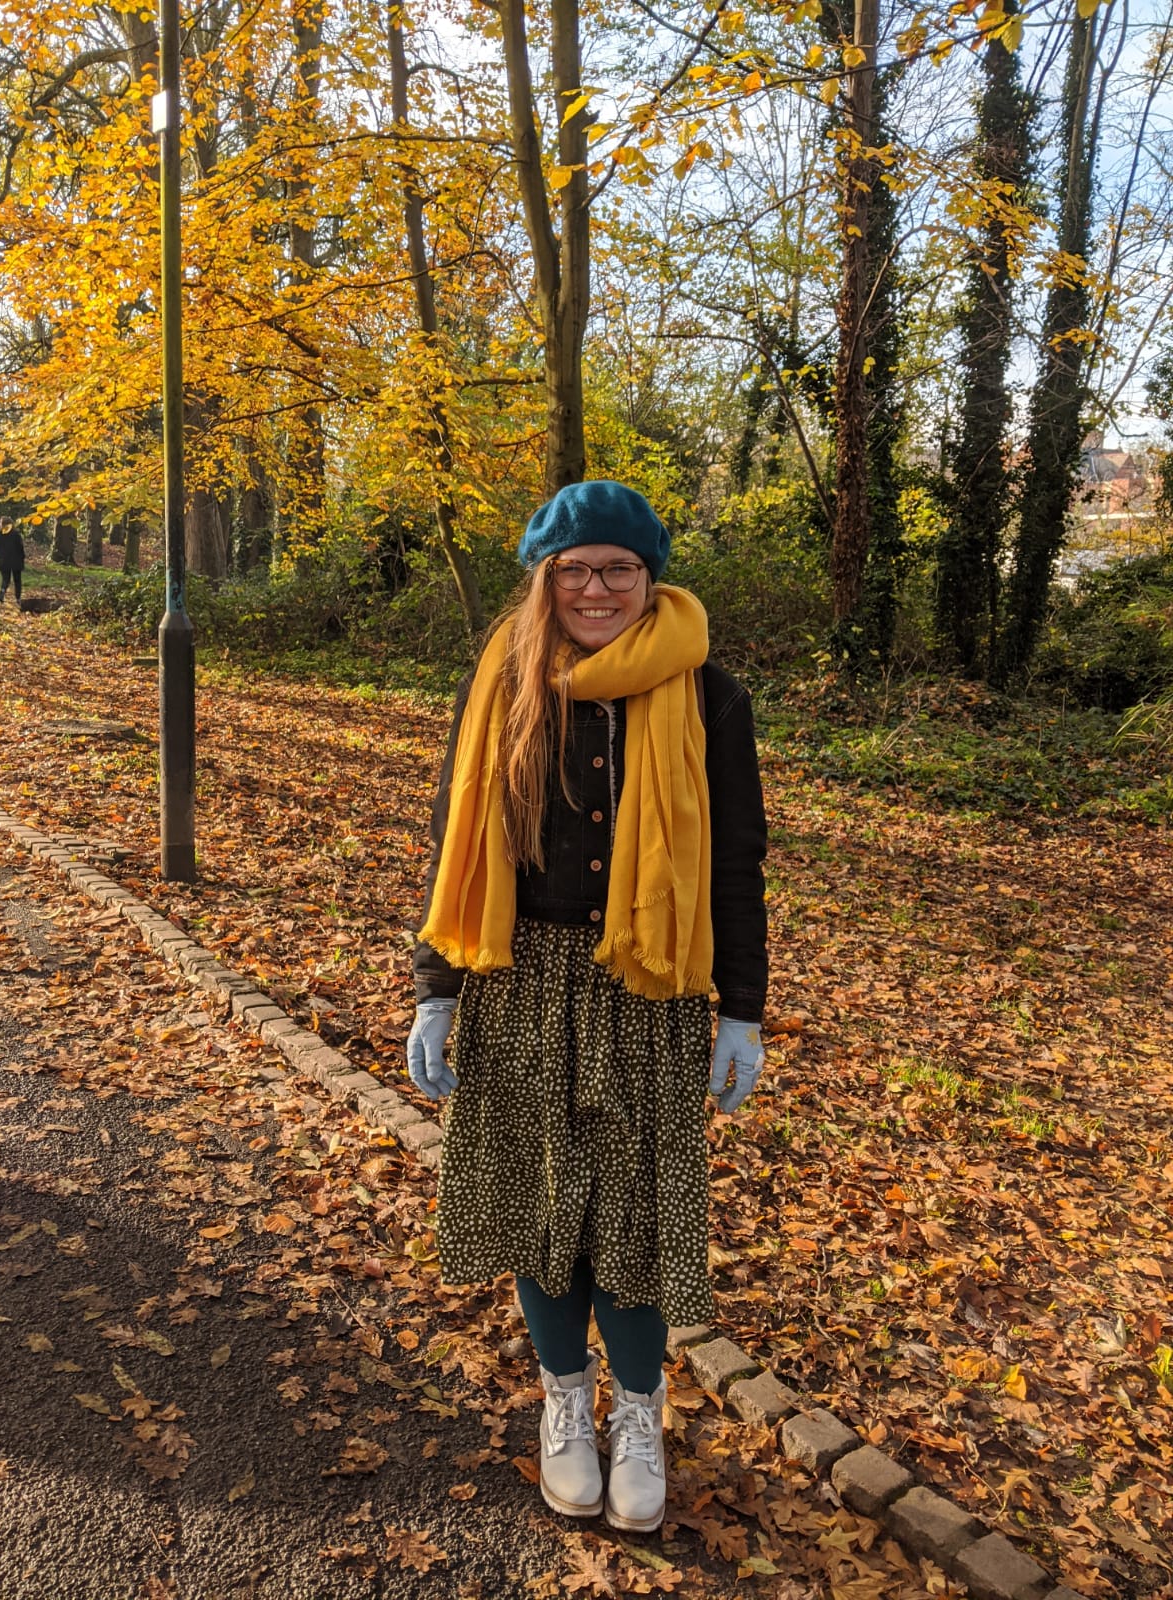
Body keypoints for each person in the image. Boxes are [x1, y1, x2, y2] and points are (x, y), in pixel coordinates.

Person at [406, 480, 768, 1533]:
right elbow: (457, 838)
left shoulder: (710, 694)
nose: (596, 588)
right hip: (519, 984)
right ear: (546, 579)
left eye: (619, 568)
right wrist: (436, 991)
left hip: (649, 991)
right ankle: (566, 1402)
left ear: (651, 578)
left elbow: (736, 861)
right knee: (541, 1212)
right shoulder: (505, 681)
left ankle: (639, 1414)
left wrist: (742, 1010)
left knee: (636, 1221)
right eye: (575, 570)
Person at [0, 517, 25, 605]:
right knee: (17, 580)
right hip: (16, 560)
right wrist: (22, 558)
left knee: (5, 579)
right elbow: (20, 547)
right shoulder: (16, 534)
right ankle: (18, 598)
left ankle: (1, 594)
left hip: (4, 560)